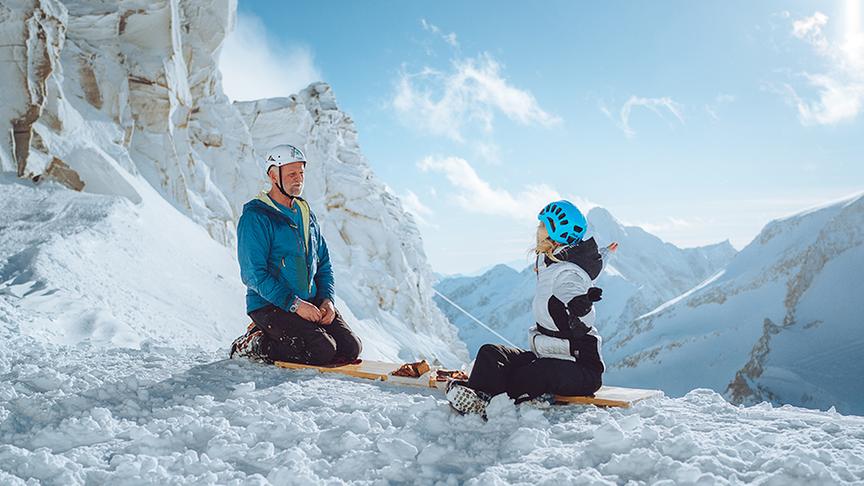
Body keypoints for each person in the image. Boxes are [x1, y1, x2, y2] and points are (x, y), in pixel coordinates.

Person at [447, 200, 616, 416]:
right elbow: (590, 262)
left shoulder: (569, 272)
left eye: (544, 226)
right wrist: (605, 254)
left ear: (557, 232)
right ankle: (477, 396)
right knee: (491, 353)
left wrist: (579, 306)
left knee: (535, 373)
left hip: (581, 369)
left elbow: (572, 288)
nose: (538, 230)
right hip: (546, 354)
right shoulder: (553, 260)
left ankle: (493, 404)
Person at [229, 144, 362, 365]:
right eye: (291, 173)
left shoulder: (306, 214)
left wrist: (327, 300)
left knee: (351, 348)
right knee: (322, 351)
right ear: (273, 175)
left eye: (301, 173)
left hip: (310, 302)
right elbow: (253, 274)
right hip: (270, 305)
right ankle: (255, 343)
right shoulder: (256, 216)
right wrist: (295, 304)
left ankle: (301, 328)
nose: (298, 178)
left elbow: (324, 263)